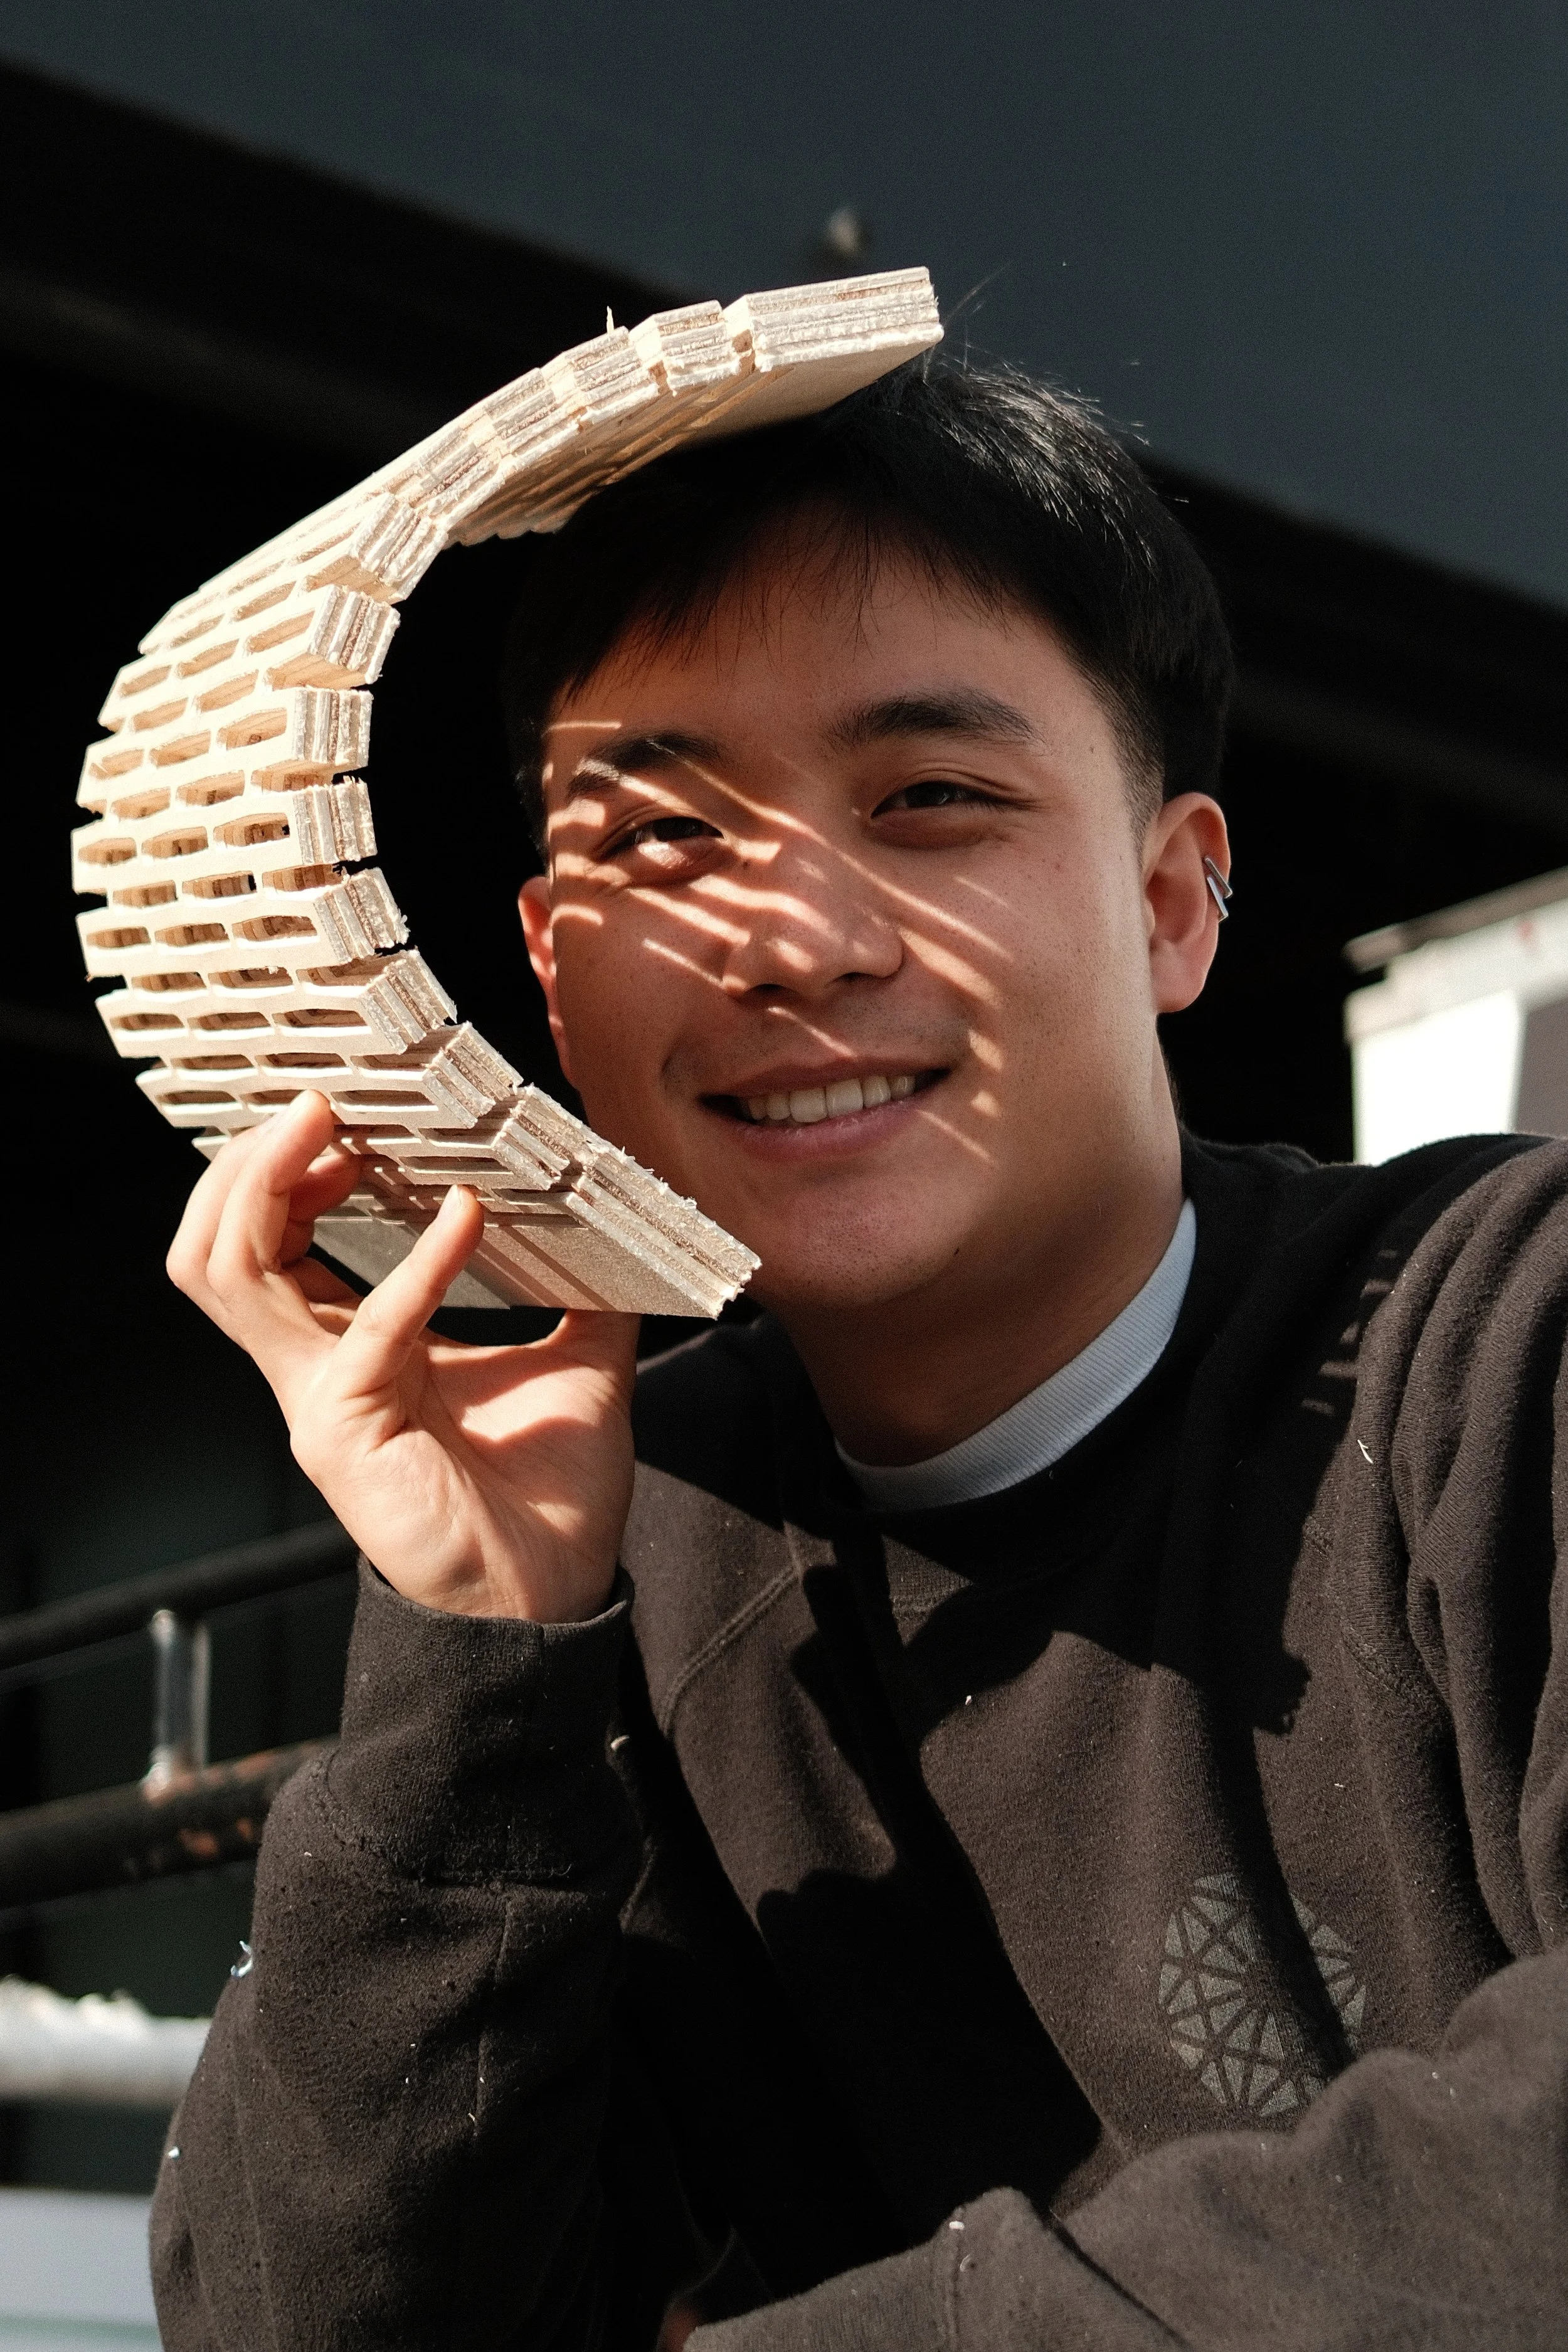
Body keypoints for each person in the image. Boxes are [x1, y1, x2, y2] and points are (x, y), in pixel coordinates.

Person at [152, 362, 1565, 2351]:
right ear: (548, 975)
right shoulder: (618, 1557)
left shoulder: (1503, 1337)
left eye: (927, 800)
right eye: (656, 839)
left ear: (1171, 900)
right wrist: (469, 1643)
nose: (789, 939)